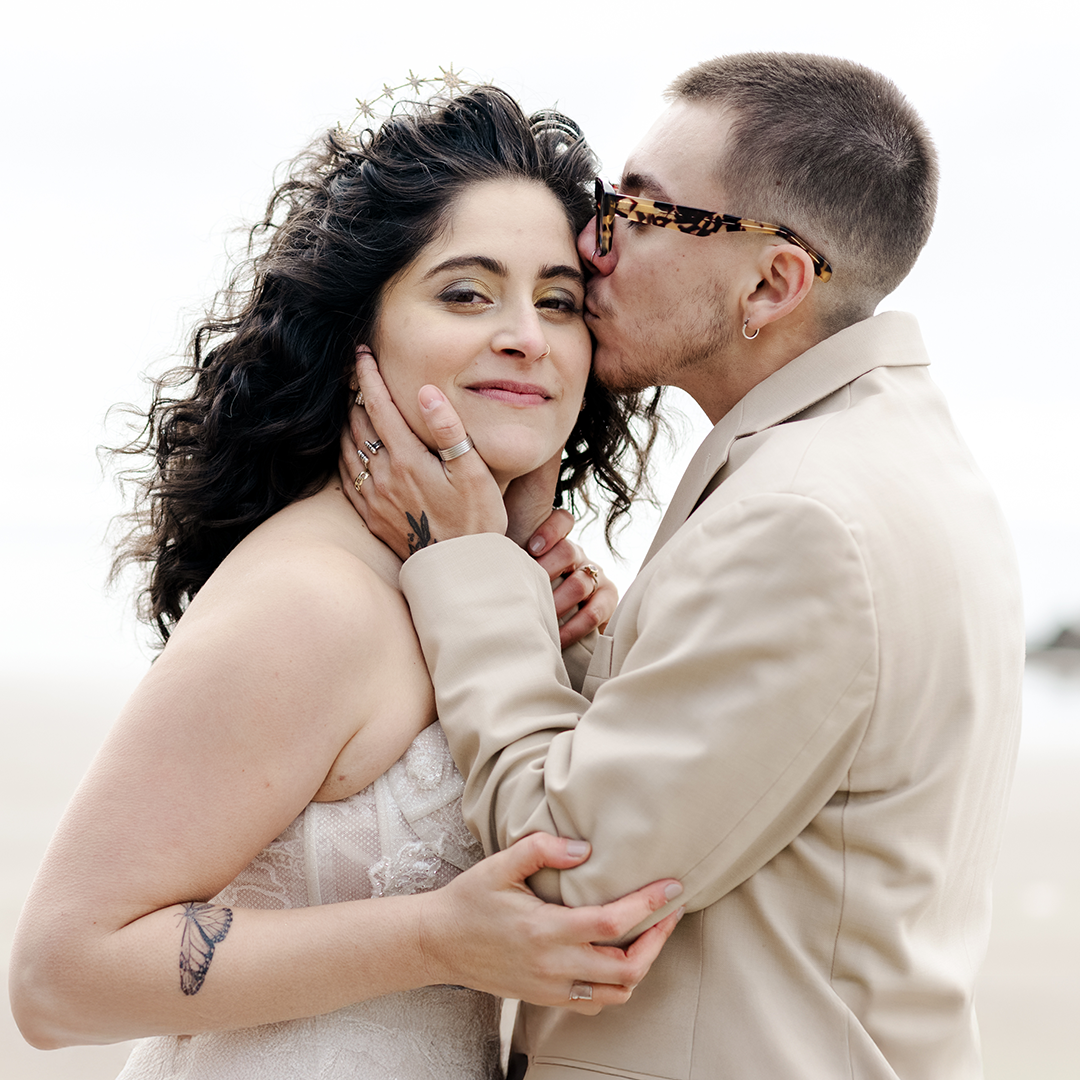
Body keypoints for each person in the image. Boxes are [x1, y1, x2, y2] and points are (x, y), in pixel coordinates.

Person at [340, 53, 1025, 1079]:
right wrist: (589, 657)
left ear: (772, 282)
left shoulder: (807, 518)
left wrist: (473, 567)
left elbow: (571, 873)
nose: (591, 242)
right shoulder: (890, 459)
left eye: (642, 213)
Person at [8, 85, 684, 1080]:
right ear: (358, 335)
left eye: (558, 301)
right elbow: (57, 978)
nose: (527, 337)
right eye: (466, 292)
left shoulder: (480, 592)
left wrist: (578, 642)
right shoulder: (315, 600)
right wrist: (434, 938)